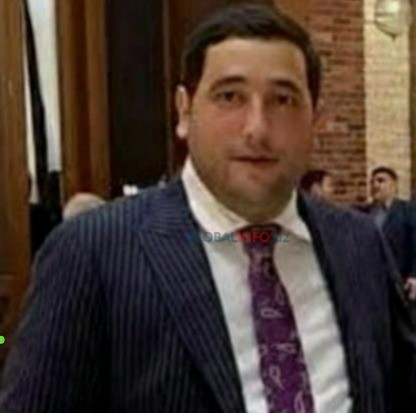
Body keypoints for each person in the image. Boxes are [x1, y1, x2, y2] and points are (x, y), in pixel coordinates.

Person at [1, 4, 415, 412]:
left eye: (283, 100)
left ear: (316, 120)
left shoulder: (359, 244)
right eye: (230, 96)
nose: (257, 128)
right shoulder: (93, 254)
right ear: (185, 111)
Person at [366, 166, 416, 301]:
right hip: (371, 283)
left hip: (401, 282)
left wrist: (414, 275)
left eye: (381, 181)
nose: (375, 185)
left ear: (394, 185)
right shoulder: (365, 213)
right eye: (372, 182)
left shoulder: (408, 210)